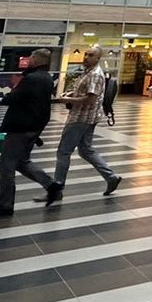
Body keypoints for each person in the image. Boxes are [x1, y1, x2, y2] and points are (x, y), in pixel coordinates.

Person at [0, 48, 57, 218]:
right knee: (22, 162)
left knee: (5, 167)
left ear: (39, 60)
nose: (29, 59)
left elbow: (13, 98)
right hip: (32, 127)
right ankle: (52, 185)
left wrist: (9, 94)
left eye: (32, 57)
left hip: (20, 128)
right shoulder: (47, 78)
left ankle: (5, 205)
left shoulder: (32, 78)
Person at [45, 48, 121, 204]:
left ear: (98, 58)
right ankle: (111, 177)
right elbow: (83, 93)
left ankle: (57, 189)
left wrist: (68, 100)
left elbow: (90, 99)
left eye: (91, 55)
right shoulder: (88, 72)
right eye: (86, 54)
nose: (86, 57)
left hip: (81, 118)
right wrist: (70, 95)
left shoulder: (94, 75)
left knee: (64, 151)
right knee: (86, 149)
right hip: (88, 117)